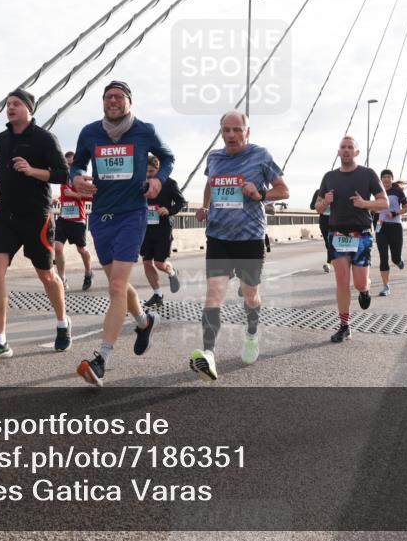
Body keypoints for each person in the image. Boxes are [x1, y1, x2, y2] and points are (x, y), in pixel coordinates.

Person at [71, 81, 174, 387]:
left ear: (129, 102)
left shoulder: (144, 130)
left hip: (133, 214)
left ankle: (101, 359)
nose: (113, 100)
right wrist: (77, 178)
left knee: (116, 286)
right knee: (119, 283)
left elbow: (167, 158)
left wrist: (159, 181)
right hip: (101, 216)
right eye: (108, 97)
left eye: (119, 96)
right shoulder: (90, 132)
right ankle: (144, 323)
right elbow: (76, 165)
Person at [191, 111, 289, 380]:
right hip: (219, 237)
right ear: (221, 132)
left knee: (250, 295)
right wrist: (205, 207)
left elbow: (284, 190)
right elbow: (210, 184)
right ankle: (208, 354)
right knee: (213, 295)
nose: (231, 135)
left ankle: (252, 333)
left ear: (248, 131)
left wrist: (261, 194)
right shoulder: (215, 157)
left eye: (237, 130)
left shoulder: (261, 156)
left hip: (250, 239)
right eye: (226, 130)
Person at [0, 89, 70, 363]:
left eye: (16, 104)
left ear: (29, 109)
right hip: (6, 214)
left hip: (36, 217)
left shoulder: (44, 138)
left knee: (46, 276)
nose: (11, 108)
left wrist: (32, 171)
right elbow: (1, 168)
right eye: (8, 104)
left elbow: (62, 174)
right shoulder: (2, 139)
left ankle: (63, 323)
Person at [315, 138, 388, 343]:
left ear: (357, 153)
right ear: (338, 152)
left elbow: (384, 202)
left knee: (359, 283)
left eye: (350, 148)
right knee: (341, 281)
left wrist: (365, 203)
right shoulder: (329, 177)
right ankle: (344, 326)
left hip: (362, 234)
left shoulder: (368, 174)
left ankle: (365, 289)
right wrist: (325, 202)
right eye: (343, 148)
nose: (346, 151)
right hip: (337, 234)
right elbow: (318, 207)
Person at [141, 154, 185, 308]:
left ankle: (172, 273)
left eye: (151, 172)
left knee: (159, 263)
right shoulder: (141, 183)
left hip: (163, 228)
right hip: (146, 228)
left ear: (158, 170)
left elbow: (181, 202)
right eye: (146, 172)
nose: (148, 175)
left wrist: (169, 209)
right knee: (146, 262)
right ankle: (158, 294)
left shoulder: (169, 183)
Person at [53, 151, 93, 292]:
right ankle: (62, 279)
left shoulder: (81, 178)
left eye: (71, 164)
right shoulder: (64, 177)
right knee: (57, 248)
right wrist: (58, 199)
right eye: (67, 164)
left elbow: (91, 197)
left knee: (81, 250)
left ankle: (88, 273)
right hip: (63, 218)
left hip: (77, 220)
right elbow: (65, 193)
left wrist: (74, 194)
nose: (69, 166)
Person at [374, 169, 407, 296]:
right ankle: (386, 286)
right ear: (381, 180)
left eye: (388, 176)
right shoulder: (377, 192)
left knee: (395, 257)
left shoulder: (397, 191)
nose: (386, 179)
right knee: (383, 257)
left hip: (395, 227)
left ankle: (398, 260)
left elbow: (406, 209)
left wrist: (394, 213)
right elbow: (375, 207)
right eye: (384, 177)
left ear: (392, 179)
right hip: (381, 227)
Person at [311, 189, 334, 273]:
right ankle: (331, 262)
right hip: (324, 220)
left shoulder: (339, 191)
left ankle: (329, 263)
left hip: (336, 220)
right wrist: (324, 203)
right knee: (328, 243)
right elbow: (312, 206)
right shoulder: (319, 192)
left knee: (332, 243)